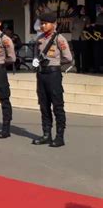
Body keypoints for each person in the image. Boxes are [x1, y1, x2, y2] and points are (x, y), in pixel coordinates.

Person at [32, 13, 73, 148]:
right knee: (44, 105)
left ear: (53, 24)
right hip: (41, 74)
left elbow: (68, 58)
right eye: (42, 23)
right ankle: (46, 134)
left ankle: (59, 136)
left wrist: (55, 62)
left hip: (53, 75)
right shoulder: (39, 39)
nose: (43, 26)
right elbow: (37, 54)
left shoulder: (59, 39)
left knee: (57, 105)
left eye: (46, 23)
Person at [69, 5, 90, 73]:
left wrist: (87, 27)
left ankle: (84, 69)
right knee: (76, 54)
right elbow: (70, 29)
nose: (83, 10)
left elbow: (88, 26)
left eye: (84, 9)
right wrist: (76, 31)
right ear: (79, 10)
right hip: (75, 38)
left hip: (84, 38)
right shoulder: (73, 18)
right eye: (82, 9)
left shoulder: (86, 17)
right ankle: (78, 69)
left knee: (84, 54)